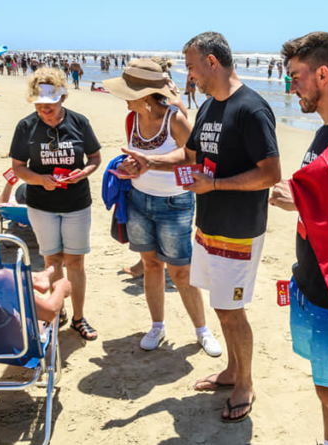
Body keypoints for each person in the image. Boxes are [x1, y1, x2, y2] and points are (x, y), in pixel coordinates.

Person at [122, 31, 280, 423]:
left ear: (212, 61)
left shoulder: (251, 109)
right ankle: (231, 371)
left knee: (231, 309)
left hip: (240, 229)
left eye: (191, 66)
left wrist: (217, 184)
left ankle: (245, 383)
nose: (188, 75)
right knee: (221, 307)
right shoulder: (209, 109)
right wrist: (149, 162)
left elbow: (271, 173)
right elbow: (189, 156)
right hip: (208, 226)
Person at [270, 31, 328, 445]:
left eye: (296, 76)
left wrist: (303, 204)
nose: (291, 86)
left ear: (323, 74)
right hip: (308, 284)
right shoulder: (325, 131)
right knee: (324, 390)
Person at [102, 59, 222, 357]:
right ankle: (157, 325)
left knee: (181, 273)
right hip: (138, 200)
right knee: (151, 266)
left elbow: (194, 159)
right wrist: (131, 166)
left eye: (127, 92)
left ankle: (201, 330)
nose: (123, 98)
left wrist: (149, 164)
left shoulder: (176, 120)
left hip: (174, 203)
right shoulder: (131, 119)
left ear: (144, 95)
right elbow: (137, 155)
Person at [9, 68, 102, 340]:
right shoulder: (25, 126)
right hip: (41, 205)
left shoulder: (79, 122)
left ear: (63, 98)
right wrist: (40, 179)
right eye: (39, 106)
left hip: (76, 203)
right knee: (52, 260)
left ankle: (78, 317)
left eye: (49, 107)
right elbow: (17, 168)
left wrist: (85, 171)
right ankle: (57, 309)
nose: (44, 111)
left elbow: (95, 157)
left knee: (75, 262)